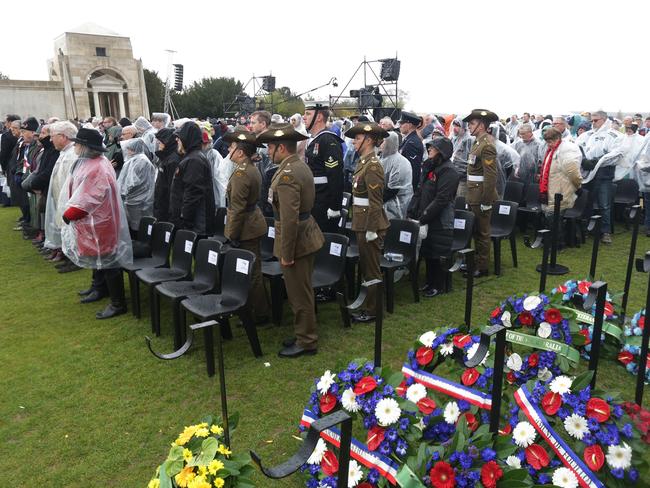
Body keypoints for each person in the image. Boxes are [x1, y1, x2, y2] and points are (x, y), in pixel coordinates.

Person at [257, 123, 324, 358]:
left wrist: (286, 254)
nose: (267, 152)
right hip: (305, 235)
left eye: (270, 147)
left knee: (298, 294)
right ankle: (302, 334)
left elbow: (289, 219)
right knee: (301, 291)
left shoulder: (287, 174)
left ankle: (307, 341)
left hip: (296, 240)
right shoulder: (297, 165)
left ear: (281, 148)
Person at [60, 128, 133, 319]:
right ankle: (100, 288)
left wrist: (69, 214)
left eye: (77, 143)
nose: (74, 146)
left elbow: (88, 199)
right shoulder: (92, 162)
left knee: (108, 261)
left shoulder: (97, 167)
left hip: (100, 222)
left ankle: (118, 303)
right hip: (96, 221)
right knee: (99, 258)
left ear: (85, 146)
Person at [222, 128, 270, 324]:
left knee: (251, 273)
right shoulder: (248, 168)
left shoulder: (242, 173)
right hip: (251, 224)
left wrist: (231, 235)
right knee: (252, 271)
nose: (229, 150)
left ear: (240, 152)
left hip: (246, 228)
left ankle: (258, 313)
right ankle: (254, 309)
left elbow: (237, 208)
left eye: (232, 147)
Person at [345, 122, 390, 323]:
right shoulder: (363, 162)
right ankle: (369, 305)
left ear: (369, 140)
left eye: (358, 137)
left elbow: (375, 202)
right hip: (362, 221)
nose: (354, 141)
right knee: (366, 265)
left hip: (370, 224)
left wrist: (372, 228)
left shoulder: (372, 166)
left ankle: (373, 310)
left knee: (371, 268)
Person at [408, 136, 459, 297]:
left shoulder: (448, 170)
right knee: (428, 252)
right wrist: (413, 209)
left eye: (433, 147)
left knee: (439, 253)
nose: (429, 149)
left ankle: (439, 285)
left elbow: (442, 199)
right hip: (427, 216)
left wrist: (424, 218)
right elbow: (421, 190)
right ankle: (430, 282)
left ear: (442, 152)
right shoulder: (430, 167)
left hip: (440, 220)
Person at [577, 110, 623, 244]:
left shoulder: (614, 135)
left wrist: (598, 161)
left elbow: (616, 154)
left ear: (604, 119)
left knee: (604, 204)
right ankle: (584, 229)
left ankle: (605, 232)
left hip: (604, 175)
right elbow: (578, 148)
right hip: (587, 173)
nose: (593, 123)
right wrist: (584, 160)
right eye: (591, 120)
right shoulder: (587, 135)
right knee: (586, 202)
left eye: (595, 120)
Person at [463, 109, 499, 277]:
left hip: (481, 195)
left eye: (472, 123)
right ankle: (475, 261)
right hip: (473, 193)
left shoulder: (487, 146)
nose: (469, 126)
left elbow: (490, 176)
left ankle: (482, 266)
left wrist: (486, 200)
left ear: (481, 125)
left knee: (482, 232)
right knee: (475, 230)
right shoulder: (477, 143)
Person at [303, 102, 344, 233]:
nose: (304, 117)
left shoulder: (328, 140)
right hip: (314, 199)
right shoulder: (314, 139)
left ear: (319, 117)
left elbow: (336, 176)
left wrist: (335, 206)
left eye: (308, 114)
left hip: (324, 202)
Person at [170, 121, 216, 237]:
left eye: (179, 137)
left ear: (187, 138)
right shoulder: (192, 157)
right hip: (194, 223)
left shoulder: (194, 160)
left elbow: (192, 194)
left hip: (195, 225)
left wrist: (184, 220)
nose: (177, 140)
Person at [539, 127, 582, 248]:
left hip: (561, 190)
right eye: (547, 141)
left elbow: (572, 171)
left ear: (558, 138)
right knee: (551, 219)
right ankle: (552, 242)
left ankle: (557, 244)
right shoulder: (553, 149)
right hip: (552, 188)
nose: (549, 144)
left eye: (550, 141)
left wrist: (578, 185)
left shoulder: (567, 150)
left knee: (555, 219)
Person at [43, 121, 78, 262]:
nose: (50, 140)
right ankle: (67, 254)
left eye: (52, 136)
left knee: (72, 231)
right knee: (65, 230)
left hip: (70, 202)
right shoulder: (64, 153)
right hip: (62, 200)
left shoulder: (71, 155)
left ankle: (73, 259)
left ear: (63, 137)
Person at [117, 138, 156, 235]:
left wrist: (123, 191)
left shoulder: (141, 161)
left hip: (138, 199)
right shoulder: (134, 160)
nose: (127, 151)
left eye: (129, 149)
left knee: (138, 225)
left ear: (135, 148)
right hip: (131, 199)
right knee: (132, 223)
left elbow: (134, 182)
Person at [379, 131, 413, 219]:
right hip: (383, 204)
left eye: (383, 142)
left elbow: (393, 190)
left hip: (397, 206)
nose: (380, 144)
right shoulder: (381, 159)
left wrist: (376, 200)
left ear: (390, 143)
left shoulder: (400, 162)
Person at [153, 128, 180, 221]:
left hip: (167, 207)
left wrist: (170, 212)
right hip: (162, 204)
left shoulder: (173, 160)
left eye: (160, 142)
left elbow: (172, 188)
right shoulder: (165, 157)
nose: (158, 145)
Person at [250, 111, 274, 216]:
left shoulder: (269, 144)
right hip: (259, 193)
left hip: (265, 197)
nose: (250, 126)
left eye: (253, 123)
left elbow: (270, 174)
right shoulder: (259, 142)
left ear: (263, 124)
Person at [399, 111, 424, 190]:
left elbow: (414, 169)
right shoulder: (408, 139)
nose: (400, 126)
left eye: (402, 123)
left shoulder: (412, 143)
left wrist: (410, 189)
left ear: (409, 125)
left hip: (408, 187)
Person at [450, 118, 474, 197]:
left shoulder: (469, 140)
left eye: (457, 126)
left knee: (460, 198)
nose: (455, 128)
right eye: (454, 125)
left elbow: (471, 159)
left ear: (464, 127)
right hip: (453, 175)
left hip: (463, 179)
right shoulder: (454, 138)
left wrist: (466, 172)